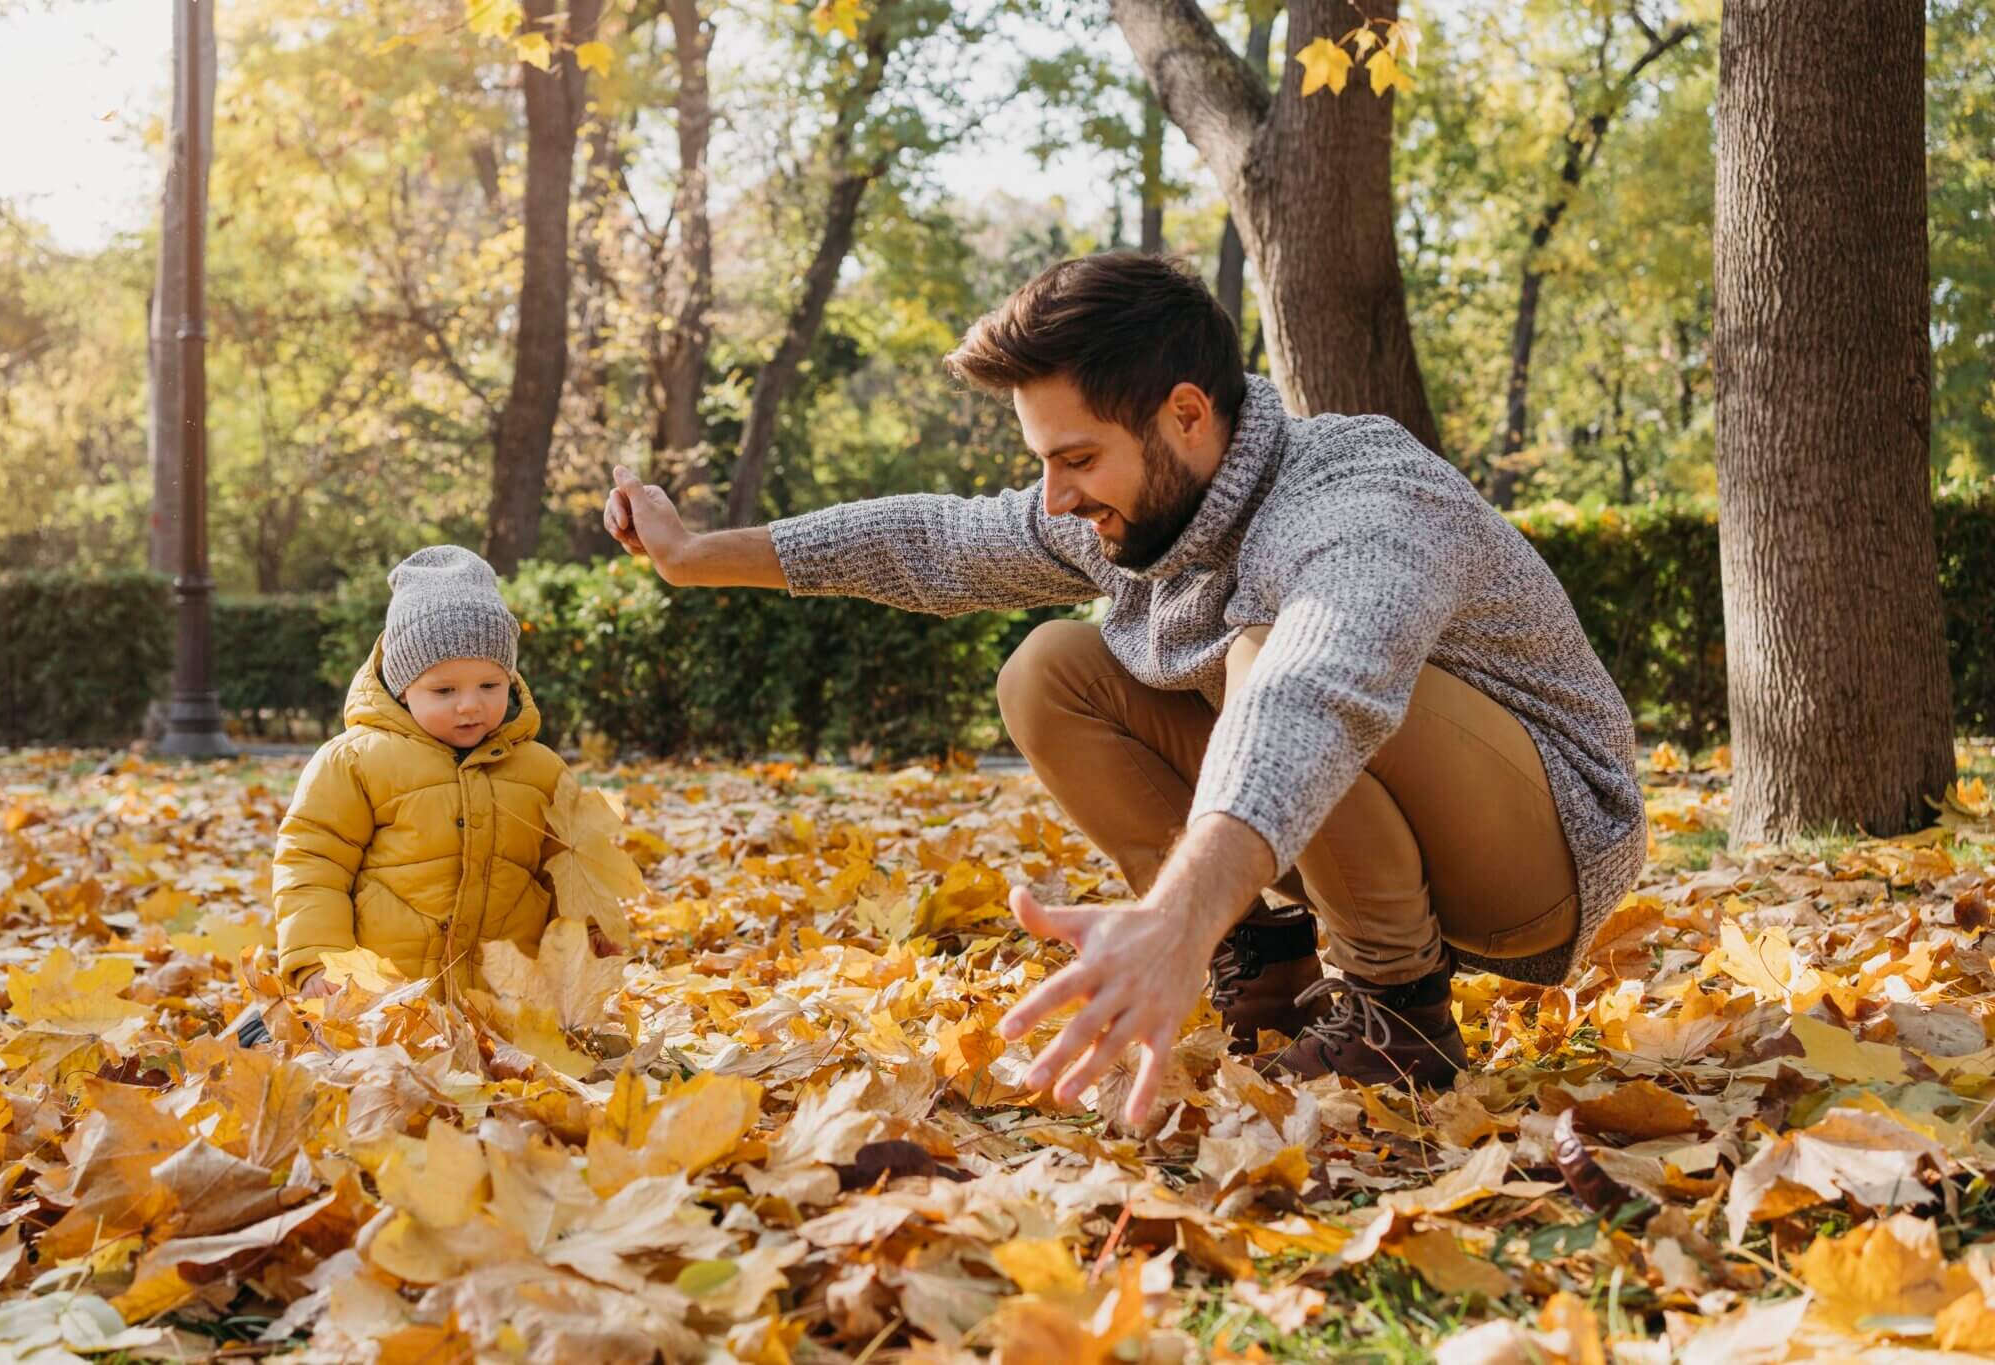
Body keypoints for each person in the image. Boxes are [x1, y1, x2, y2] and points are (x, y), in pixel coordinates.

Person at [603, 253, 1646, 1126]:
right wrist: (697, 554)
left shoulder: (1357, 496)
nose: (1056, 498)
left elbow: (1315, 688)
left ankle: (1397, 1012)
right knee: (1050, 670)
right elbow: (934, 543)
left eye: (1076, 459)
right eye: (1043, 464)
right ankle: (1266, 967)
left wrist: (1169, 911)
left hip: (1537, 854)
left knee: (1264, 655)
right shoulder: (1138, 509)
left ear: (1185, 415)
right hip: (1368, 803)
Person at [272, 546, 570, 1000]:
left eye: (489, 685)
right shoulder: (357, 762)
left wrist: (590, 928)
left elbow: (568, 871)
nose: (469, 704)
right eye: (444, 689)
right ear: (402, 688)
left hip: (506, 1002)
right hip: (388, 1001)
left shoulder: (540, 770)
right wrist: (319, 956)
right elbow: (314, 860)